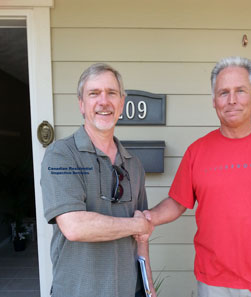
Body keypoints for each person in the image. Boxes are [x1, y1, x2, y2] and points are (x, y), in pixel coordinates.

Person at [139, 56, 251, 297]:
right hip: (214, 283)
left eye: (240, 91)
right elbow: (177, 202)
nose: (232, 100)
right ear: (214, 101)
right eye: (223, 92)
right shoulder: (197, 152)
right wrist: (148, 218)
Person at [41, 63, 156, 297]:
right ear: (82, 105)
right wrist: (136, 225)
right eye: (94, 93)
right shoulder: (61, 155)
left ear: (122, 103)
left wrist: (148, 287)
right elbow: (75, 226)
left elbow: (141, 238)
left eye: (111, 93)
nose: (104, 101)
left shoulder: (133, 164)